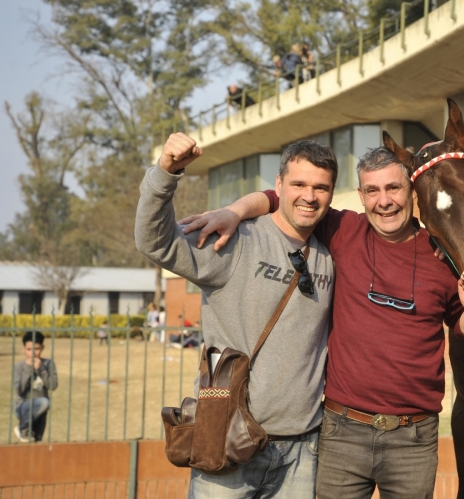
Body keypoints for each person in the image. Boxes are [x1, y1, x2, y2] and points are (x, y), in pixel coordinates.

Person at [179, 146, 464, 499]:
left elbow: (463, 324)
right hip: (342, 432)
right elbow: (283, 198)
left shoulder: (443, 254)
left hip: (413, 437)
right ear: (362, 196)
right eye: (372, 190)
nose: (384, 201)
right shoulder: (343, 230)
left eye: (394, 188)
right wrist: (233, 211)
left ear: (412, 191)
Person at [135, 133, 336, 498]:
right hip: (228, 442)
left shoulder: (331, 254)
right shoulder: (235, 239)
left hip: (302, 453)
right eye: (299, 184)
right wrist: (165, 173)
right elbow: (156, 242)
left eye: (321, 187)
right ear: (278, 186)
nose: (309, 195)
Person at [14, 331, 58, 443]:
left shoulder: (48, 364)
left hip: (41, 411)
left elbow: (52, 386)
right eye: (29, 349)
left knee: (36, 441)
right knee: (44, 402)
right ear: (24, 349)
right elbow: (20, 390)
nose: (33, 353)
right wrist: (29, 369)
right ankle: (22, 427)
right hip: (23, 407)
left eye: (37, 349)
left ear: (42, 348)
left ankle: (25, 431)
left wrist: (41, 369)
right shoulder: (19, 366)